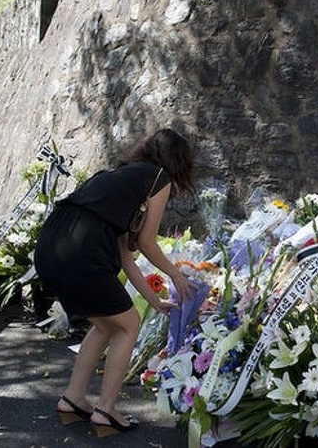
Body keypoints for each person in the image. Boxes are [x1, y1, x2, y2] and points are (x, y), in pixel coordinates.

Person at [34, 128, 196, 437]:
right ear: (178, 161)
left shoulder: (121, 178)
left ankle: (73, 399)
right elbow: (147, 242)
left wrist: (155, 301)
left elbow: (125, 257)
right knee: (128, 326)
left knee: (109, 324)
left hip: (51, 248)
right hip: (81, 252)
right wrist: (175, 274)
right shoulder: (159, 177)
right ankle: (106, 409)